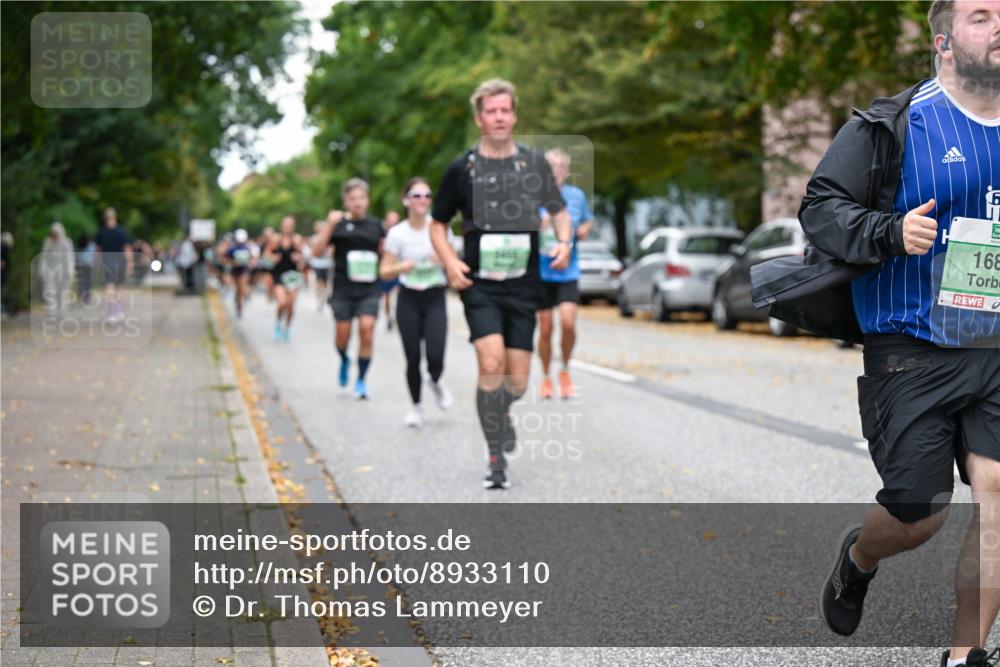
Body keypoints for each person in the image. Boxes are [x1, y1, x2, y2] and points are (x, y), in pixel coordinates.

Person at [753, 2, 1000, 664]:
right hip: (911, 347)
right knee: (920, 516)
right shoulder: (894, 125)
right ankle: (859, 556)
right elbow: (821, 208)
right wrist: (890, 232)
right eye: (983, 16)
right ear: (944, 40)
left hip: (995, 346)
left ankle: (963, 654)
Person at [430, 79, 571, 489]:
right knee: (490, 365)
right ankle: (495, 457)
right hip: (481, 286)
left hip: (524, 285)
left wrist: (564, 240)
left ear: (514, 115)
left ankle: (501, 412)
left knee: (518, 382)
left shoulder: (532, 164)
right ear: (479, 117)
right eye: (490, 111)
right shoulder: (462, 169)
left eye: (505, 110)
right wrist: (450, 261)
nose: (498, 117)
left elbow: (558, 212)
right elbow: (439, 226)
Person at [380, 178, 454, 427]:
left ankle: (435, 380)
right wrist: (402, 265)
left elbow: (454, 264)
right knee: (412, 357)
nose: (422, 200)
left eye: (427, 195)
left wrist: (443, 259)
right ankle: (416, 407)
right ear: (406, 200)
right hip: (409, 298)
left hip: (434, 296)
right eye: (416, 195)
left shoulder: (440, 228)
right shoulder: (397, 233)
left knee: (436, 354)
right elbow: (384, 271)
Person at [312, 178, 386, 399]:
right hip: (343, 289)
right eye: (353, 199)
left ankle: (361, 379)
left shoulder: (376, 226)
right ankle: (344, 358)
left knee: (367, 329)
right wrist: (330, 225)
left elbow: (386, 253)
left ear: (367, 200)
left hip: (369, 289)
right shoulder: (338, 226)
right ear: (345, 202)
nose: (357, 203)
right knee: (342, 337)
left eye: (361, 198)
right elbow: (316, 252)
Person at [536, 148, 594, 400]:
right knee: (546, 329)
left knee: (568, 323)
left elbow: (588, 220)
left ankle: (565, 369)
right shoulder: (534, 196)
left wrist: (584, 229)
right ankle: (546, 376)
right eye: (551, 167)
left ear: (567, 171)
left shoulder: (576, 196)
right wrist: (545, 222)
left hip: (568, 270)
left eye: (561, 167)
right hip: (541, 271)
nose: (556, 171)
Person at [265, 216, 305, 341]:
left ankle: (287, 329)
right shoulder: (276, 239)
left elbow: (303, 257)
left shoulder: (297, 240)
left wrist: (298, 257)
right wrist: (273, 257)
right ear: (282, 226)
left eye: (290, 225)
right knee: (282, 303)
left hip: (293, 276)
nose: (288, 227)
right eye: (286, 225)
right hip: (279, 275)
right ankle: (277, 325)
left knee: (291, 306)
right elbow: (266, 253)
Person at [94, 207, 133, 322]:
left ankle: (111, 313)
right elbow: (127, 248)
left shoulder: (101, 232)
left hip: (107, 262)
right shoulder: (122, 232)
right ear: (115, 217)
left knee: (109, 287)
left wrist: (97, 263)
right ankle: (119, 310)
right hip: (120, 262)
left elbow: (98, 250)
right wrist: (130, 262)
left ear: (105, 219)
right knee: (120, 286)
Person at [39, 222, 74, 314]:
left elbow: (69, 258)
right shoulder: (48, 242)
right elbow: (43, 257)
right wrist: (42, 270)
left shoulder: (67, 242)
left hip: (63, 271)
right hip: (50, 271)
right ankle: (51, 312)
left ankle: (63, 311)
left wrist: (70, 271)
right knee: (50, 291)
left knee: (63, 292)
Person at [380, 209, 403, 330]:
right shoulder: (382, 233)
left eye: (395, 221)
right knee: (387, 295)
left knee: (400, 293)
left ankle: (399, 316)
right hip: (387, 269)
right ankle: (388, 316)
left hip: (399, 269)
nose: (392, 224)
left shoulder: (401, 233)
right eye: (390, 221)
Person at [225, 228, 254, 318]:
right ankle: (238, 303)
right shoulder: (232, 249)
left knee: (242, 286)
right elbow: (225, 258)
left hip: (244, 270)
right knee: (238, 289)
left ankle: (241, 303)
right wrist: (233, 262)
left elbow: (251, 258)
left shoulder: (247, 248)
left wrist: (250, 263)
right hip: (235, 271)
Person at [308, 221, 333, 312]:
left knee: (326, 283)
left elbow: (332, 250)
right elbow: (312, 252)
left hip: (327, 264)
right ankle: (319, 299)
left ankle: (323, 297)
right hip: (317, 263)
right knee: (319, 282)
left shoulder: (329, 238)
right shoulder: (313, 238)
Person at [75, 234, 96, 306]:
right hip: (88, 266)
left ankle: (82, 297)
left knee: (81, 282)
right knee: (88, 283)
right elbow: (94, 255)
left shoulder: (78, 245)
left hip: (80, 266)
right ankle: (86, 298)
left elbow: (76, 255)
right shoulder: (92, 245)